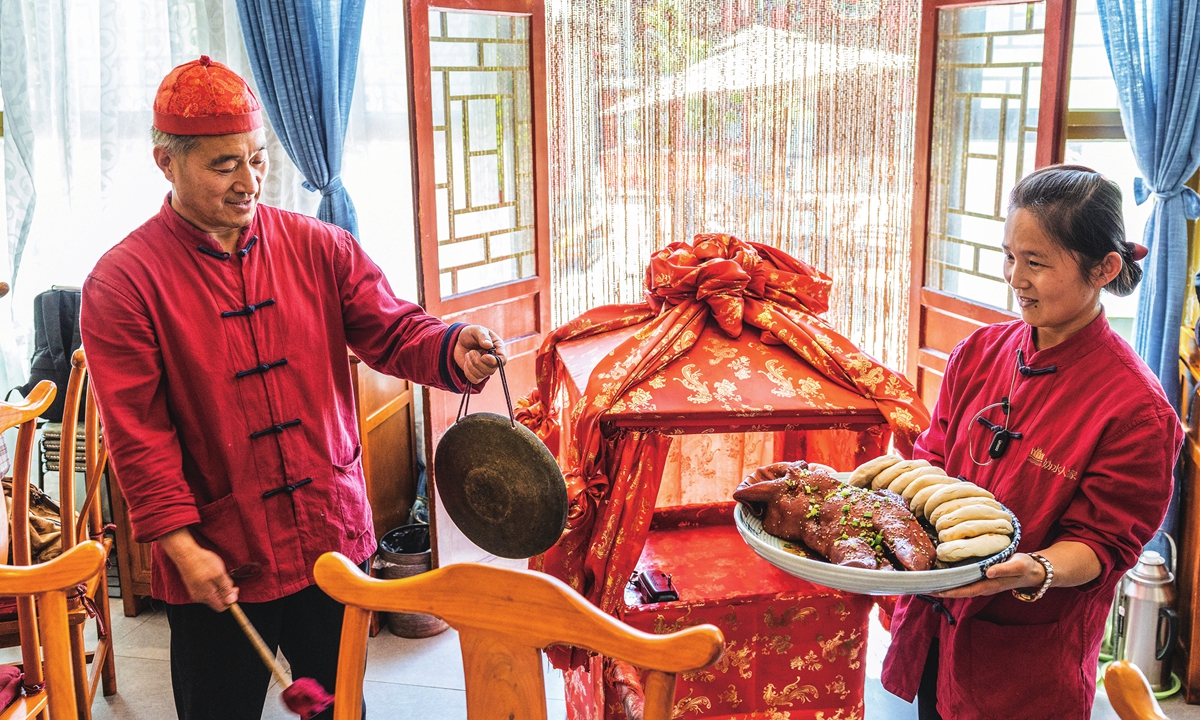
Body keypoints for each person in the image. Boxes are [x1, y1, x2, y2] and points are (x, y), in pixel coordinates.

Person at [80, 56, 505, 720]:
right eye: (224, 164)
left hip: (326, 533)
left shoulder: (319, 246)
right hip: (220, 546)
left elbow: (393, 331)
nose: (248, 181)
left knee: (339, 706)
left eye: (257, 159)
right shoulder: (124, 282)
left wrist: (453, 348)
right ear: (166, 162)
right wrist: (181, 545)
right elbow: (139, 434)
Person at [882, 165, 1183, 720]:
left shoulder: (1137, 412)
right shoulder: (980, 352)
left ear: (1104, 268)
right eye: (1010, 256)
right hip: (936, 625)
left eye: (1036, 263)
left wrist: (1034, 569)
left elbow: (1103, 543)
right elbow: (932, 458)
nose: (1015, 278)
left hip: (1023, 662)